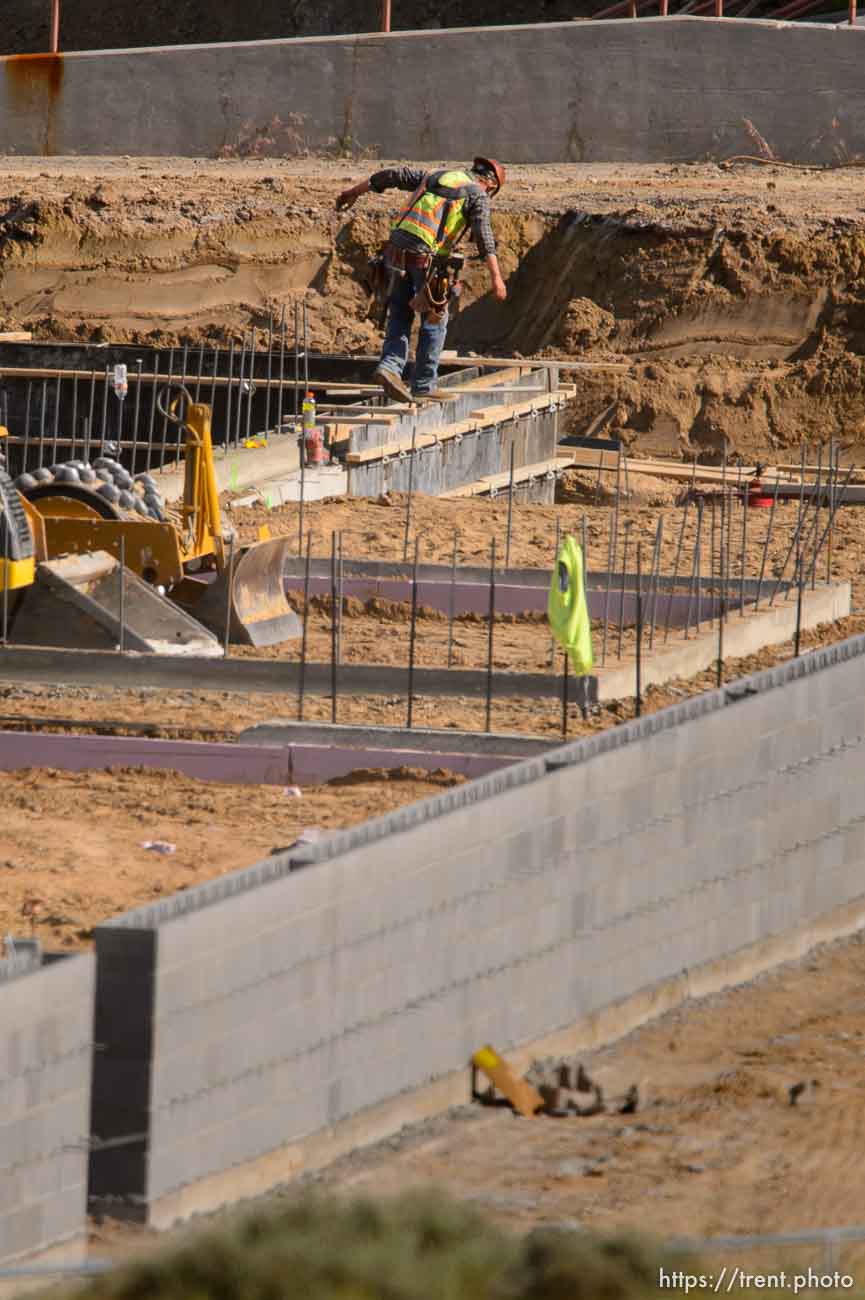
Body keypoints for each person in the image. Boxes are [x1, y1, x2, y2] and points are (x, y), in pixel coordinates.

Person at [336, 157, 508, 403]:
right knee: (436, 318)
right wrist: (497, 279)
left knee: (399, 313)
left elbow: (393, 175)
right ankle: (424, 384)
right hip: (430, 261)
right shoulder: (477, 195)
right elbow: (484, 236)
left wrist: (352, 192)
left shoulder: (436, 174)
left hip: (395, 251)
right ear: (491, 186)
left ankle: (390, 368)